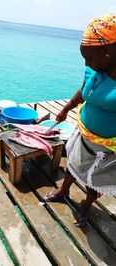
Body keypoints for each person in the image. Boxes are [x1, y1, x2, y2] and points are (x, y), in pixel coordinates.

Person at [43, 14, 116, 227]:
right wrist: (66, 108)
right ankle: (64, 191)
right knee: (74, 164)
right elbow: (84, 91)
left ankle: (86, 204)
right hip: (84, 134)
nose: (86, 63)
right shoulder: (95, 68)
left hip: (107, 146)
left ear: (109, 51)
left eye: (90, 58)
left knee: (96, 178)